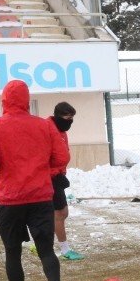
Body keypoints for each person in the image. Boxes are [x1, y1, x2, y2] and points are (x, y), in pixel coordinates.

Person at [0, 80, 69, 281]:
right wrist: (44, 171)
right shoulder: (44, 126)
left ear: (4, 100)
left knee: (13, 252)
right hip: (40, 197)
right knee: (46, 250)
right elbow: (61, 156)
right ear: (27, 101)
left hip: (11, 199)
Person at [48, 102, 83, 260]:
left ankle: (40, 243)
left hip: (57, 176)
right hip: (49, 178)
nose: (70, 121)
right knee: (60, 213)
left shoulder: (61, 131)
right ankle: (64, 250)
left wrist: (61, 173)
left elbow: (61, 154)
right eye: (68, 117)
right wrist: (54, 174)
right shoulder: (48, 129)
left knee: (52, 214)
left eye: (72, 118)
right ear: (58, 116)